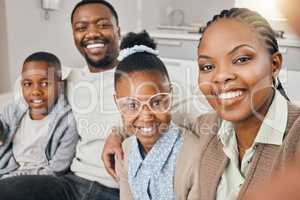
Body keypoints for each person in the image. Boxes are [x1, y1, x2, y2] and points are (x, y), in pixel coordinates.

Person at [0, 0, 121, 200]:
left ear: (118, 31)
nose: (91, 33)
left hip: (114, 188)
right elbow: (24, 92)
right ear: (74, 35)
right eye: (81, 27)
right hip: (69, 183)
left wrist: (120, 132)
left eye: (103, 25)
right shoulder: (65, 80)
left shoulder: (137, 79)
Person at [194, 7, 300, 200]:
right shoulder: (206, 128)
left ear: (274, 64)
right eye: (208, 67)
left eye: (241, 59)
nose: (221, 76)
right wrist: (119, 134)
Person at [114, 31, 201, 200]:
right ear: (117, 103)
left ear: (170, 96)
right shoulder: (124, 152)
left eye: (156, 102)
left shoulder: (194, 156)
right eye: (132, 105)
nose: (146, 116)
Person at [0, 51, 78, 178]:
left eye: (45, 83)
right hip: (8, 171)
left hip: (41, 179)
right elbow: (2, 124)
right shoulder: (13, 110)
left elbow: (58, 169)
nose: (36, 91)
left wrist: (15, 177)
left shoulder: (67, 123)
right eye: (28, 84)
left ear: (60, 85)